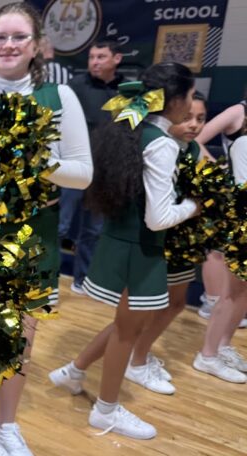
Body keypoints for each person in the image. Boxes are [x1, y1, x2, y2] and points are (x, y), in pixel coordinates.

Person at [0, 3, 92, 454]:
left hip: (33, 238)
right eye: (0, 37)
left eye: (18, 37)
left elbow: (82, 172)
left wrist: (31, 160)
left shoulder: (60, 98)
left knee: (19, 340)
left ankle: (8, 425)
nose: (8, 45)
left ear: (36, 47)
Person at [50, 62, 198, 439]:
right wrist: (195, 205)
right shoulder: (161, 143)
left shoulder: (136, 131)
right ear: (175, 100)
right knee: (128, 330)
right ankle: (106, 410)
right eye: (191, 96)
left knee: (127, 324)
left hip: (123, 242)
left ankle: (74, 371)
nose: (192, 104)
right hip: (142, 249)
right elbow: (159, 217)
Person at [124, 92, 207, 395]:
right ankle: (136, 360)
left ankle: (138, 356)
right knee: (148, 308)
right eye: (188, 117)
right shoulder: (161, 146)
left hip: (184, 237)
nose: (194, 124)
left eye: (201, 119)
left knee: (175, 302)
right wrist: (193, 206)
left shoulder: (193, 148)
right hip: (162, 238)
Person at [61, 39, 125, 294]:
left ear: (116, 59)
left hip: (105, 172)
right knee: (60, 226)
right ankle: (43, 281)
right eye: (92, 57)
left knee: (94, 229)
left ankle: (82, 279)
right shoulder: (74, 86)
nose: (95, 62)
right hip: (73, 167)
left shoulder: (128, 91)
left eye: (101, 57)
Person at [192, 134, 247, 383]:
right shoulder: (244, 144)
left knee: (243, 294)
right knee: (231, 294)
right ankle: (208, 355)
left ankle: (223, 347)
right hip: (242, 228)